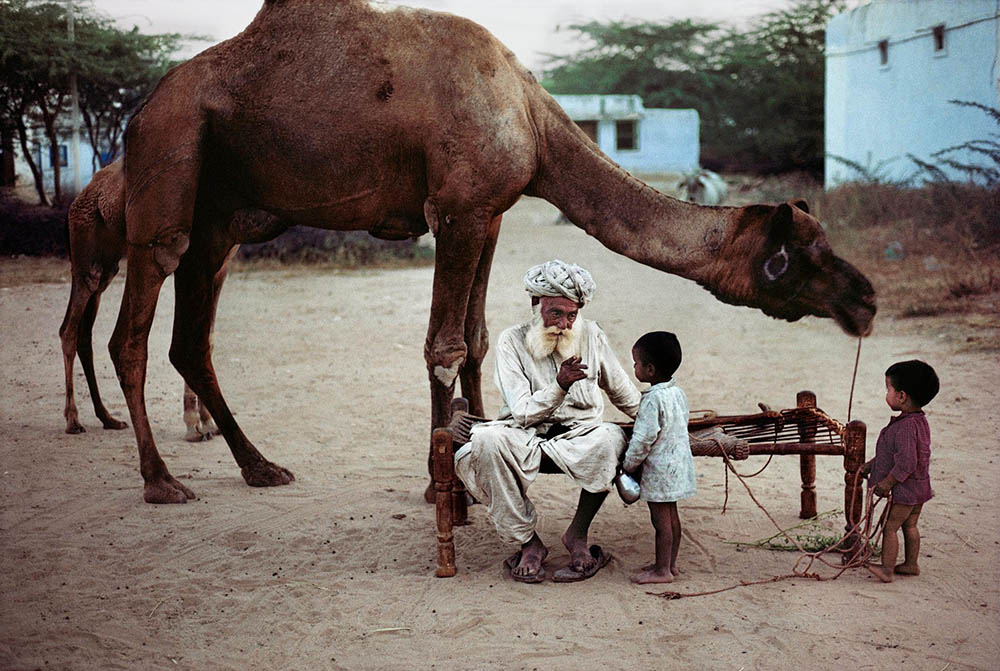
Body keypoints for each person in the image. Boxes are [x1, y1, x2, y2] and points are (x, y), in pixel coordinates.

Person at [454, 259, 641, 583]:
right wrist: (560, 385)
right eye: (555, 313)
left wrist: (657, 419)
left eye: (572, 314)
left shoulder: (591, 335)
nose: (564, 324)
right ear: (535, 304)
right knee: (485, 442)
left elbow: (622, 391)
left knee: (610, 440)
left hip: (581, 432)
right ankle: (529, 544)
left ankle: (577, 536)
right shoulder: (511, 340)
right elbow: (523, 410)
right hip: (523, 430)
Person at [620, 331, 696, 584]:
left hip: (661, 469)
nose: (634, 367)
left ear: (650, 369)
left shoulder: (652, 400)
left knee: (660, 521)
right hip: (678, 464)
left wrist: (629, 464)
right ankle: (670, 564)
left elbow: (643, 438)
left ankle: (662, 571)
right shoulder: (677, 393)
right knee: (672, 518)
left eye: (636, 363)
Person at [862, 359, 939, 583]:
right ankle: (911, 564)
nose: (886, 393)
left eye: (888, 389)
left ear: (902, 396)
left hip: (905, 489)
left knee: (890, 527)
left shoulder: (904, 428)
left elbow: (906, 462)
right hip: (920, 487)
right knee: (911, 524)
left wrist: (886, 483)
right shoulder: (919, 421)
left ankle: (887, 570)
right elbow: (893, 455)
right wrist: (871, 465)